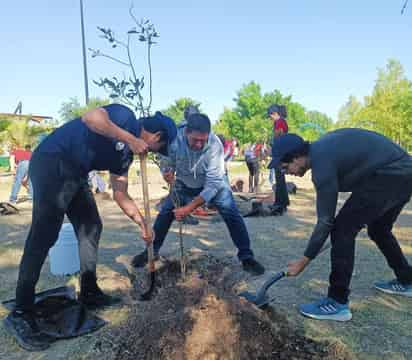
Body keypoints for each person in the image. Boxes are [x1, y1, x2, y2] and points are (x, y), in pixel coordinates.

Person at [3, 104, 177, 351]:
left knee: (91, 225)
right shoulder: (124, 117)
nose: (153, 152)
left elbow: (120, 193)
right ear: (156, 138)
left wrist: (142, 223)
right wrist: (130, 139)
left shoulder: (124, 157)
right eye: (159, 148)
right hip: (53, 161)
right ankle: (21, 311)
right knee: (45, 233)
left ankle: (89, 290)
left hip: (76, 173)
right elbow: (91, 118)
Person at [269, 129, 412, 322]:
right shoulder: (321, 150)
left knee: (342, 228)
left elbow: (325, 221)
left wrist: (303, 261)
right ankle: (406, 279)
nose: (286, 173)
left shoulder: (322, 164)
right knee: (379, 229)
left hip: (390, 174)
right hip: (404, 172)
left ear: (296, 157)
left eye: (285, 167)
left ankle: (337, 301)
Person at [131, 113, 265, 276]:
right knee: (166, 212)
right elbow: (165, 159)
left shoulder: (215, 146)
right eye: (195, 140)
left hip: (213, 184)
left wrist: (189, 208)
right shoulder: (173, 140)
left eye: (203, 140)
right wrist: (166, 171)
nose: (200, 144)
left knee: (231, 212)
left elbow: (213, 184)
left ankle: (246, 257)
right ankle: (151, 252)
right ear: (186, 132)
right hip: (183, 183)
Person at [267, 104, 290, 215]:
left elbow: (278, 135)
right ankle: (281, 203)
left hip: (279, 153)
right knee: (280, 178)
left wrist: (272, 146)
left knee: (279, 179)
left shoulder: (279, 122)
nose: (270, 118)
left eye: (270, 115)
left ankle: (280, 204)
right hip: (281, 152)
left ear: (274, 113)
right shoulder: (283, 121)